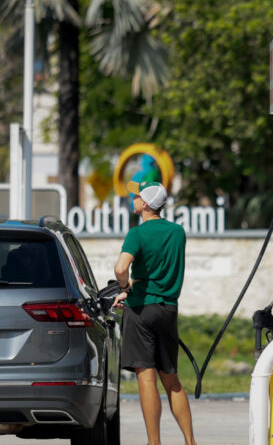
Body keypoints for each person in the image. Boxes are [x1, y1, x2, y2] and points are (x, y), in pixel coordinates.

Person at [114, 180, 196, 445]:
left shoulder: (136, 234)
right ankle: (190, 441)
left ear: (146, 204)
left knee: (146, 379)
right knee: (171, 378)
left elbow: (120, 268)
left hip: (140, 310)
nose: (133, 198)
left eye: (136, 195)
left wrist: (125, 286)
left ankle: (154, 442)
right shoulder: (178, 232)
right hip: (168, 309)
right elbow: (160, 270)